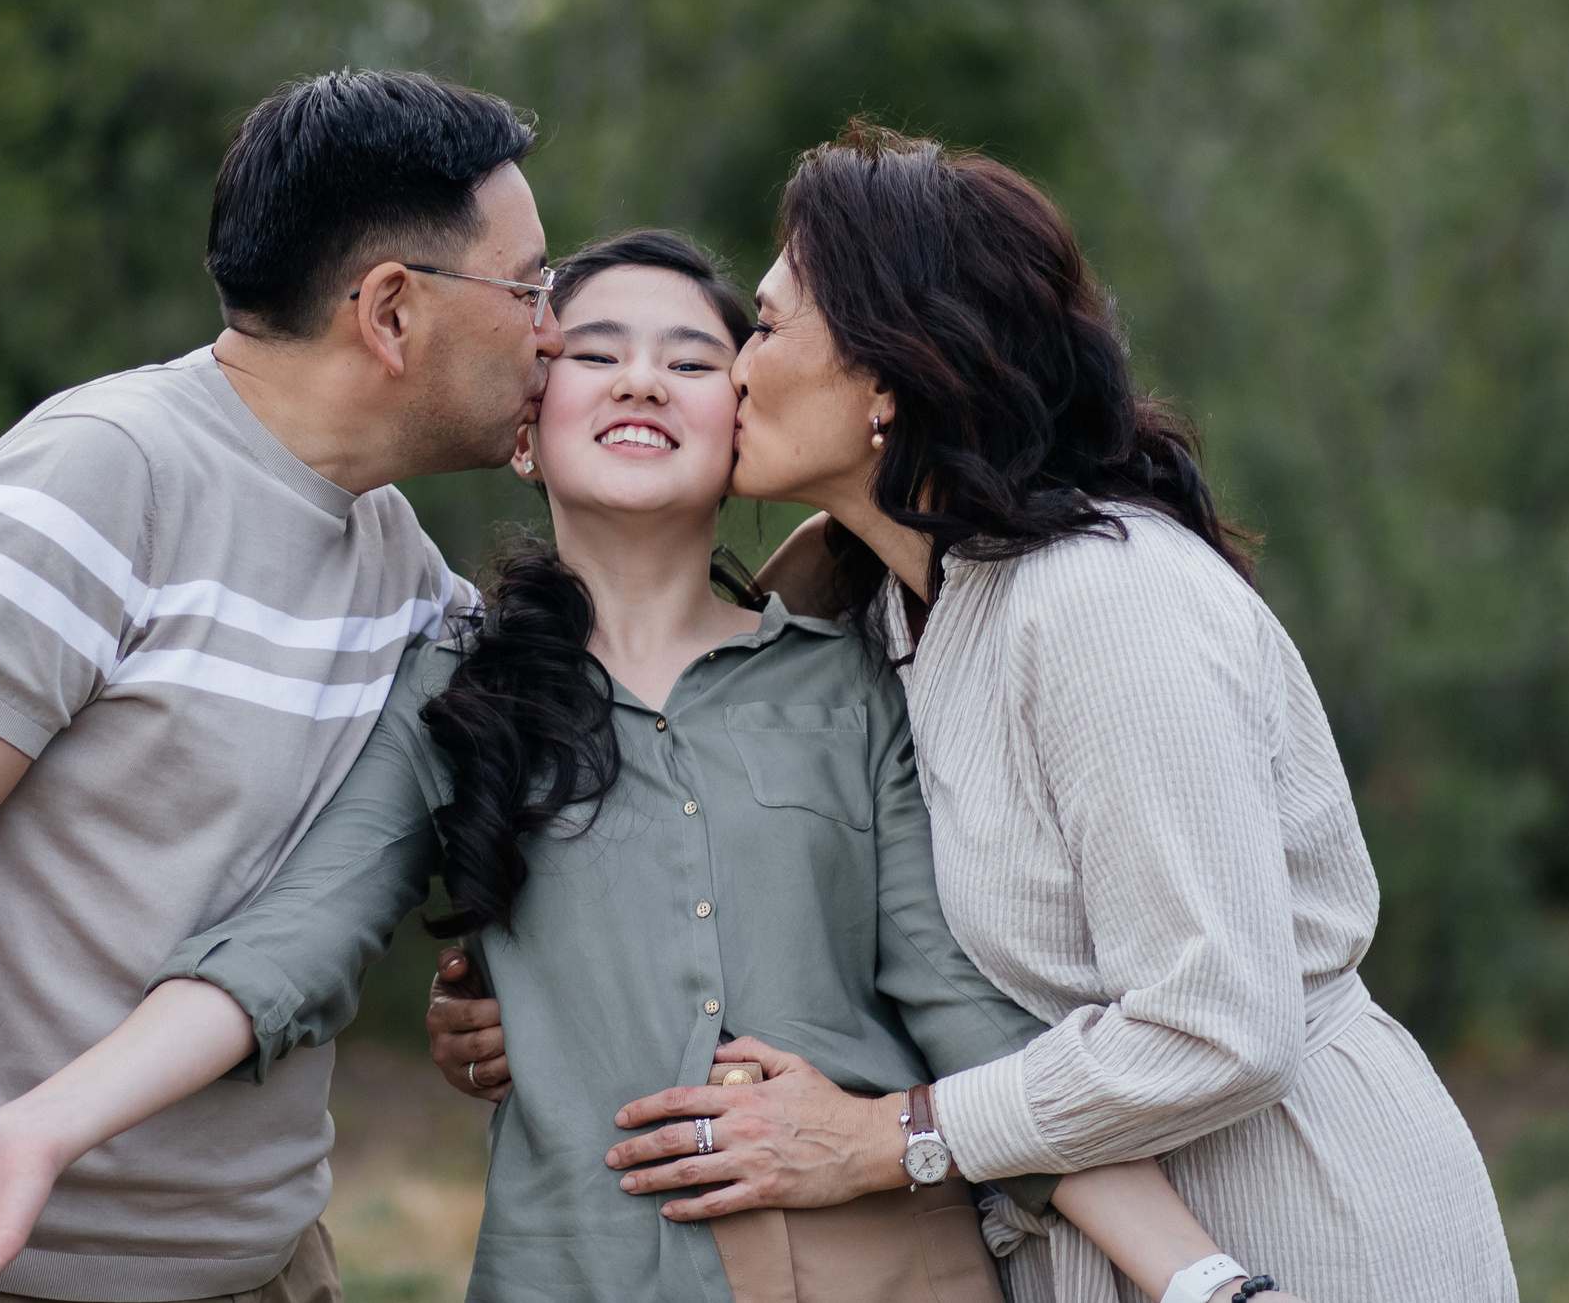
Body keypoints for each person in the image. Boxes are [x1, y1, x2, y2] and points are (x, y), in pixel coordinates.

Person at [0, 233, 1313, 1303]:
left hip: (890, 1268)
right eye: (591, 349)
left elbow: (961, 1003)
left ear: (740, 418)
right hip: (582, 1269)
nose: (643, 379)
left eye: (693, 355)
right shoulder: (455, 683)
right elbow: (283, 946)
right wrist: (38, 1125)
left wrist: (1197, 1281)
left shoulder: (855, 671)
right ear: (529, 427)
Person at [574, 123, 1520, 1302]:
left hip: (1298, 1217)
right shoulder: (894, 599)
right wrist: (539, 982)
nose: (732, 363)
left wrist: (884, 1140)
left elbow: (1216, 1026)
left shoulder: (1099, 602)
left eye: (763, 326)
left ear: (884, 376)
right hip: (1089, 1231)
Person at [0, 68, 563, 1303]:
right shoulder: (94, 483)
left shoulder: (398, 564)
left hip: (267, 1271)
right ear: (393, 312)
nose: (552, 329)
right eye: (529, 286)